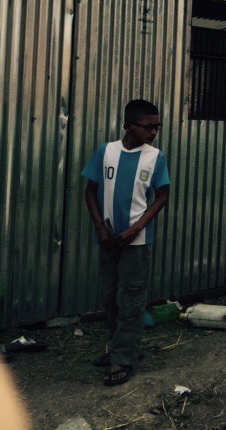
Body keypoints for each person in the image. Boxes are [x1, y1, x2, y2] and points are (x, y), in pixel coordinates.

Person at [82, 99, 171, 386]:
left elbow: (162, 196)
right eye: (147, 127)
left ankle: (123, 359)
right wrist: (99, 227)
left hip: (135, 240)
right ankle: (120, 349)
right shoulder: (105, 152)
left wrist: (137, 228)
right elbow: (90, 191)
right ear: (128, 126)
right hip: (108, 239)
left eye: (157, 127)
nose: (153, 132)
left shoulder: (155, 157)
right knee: (110, 297)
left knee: (131, 299)